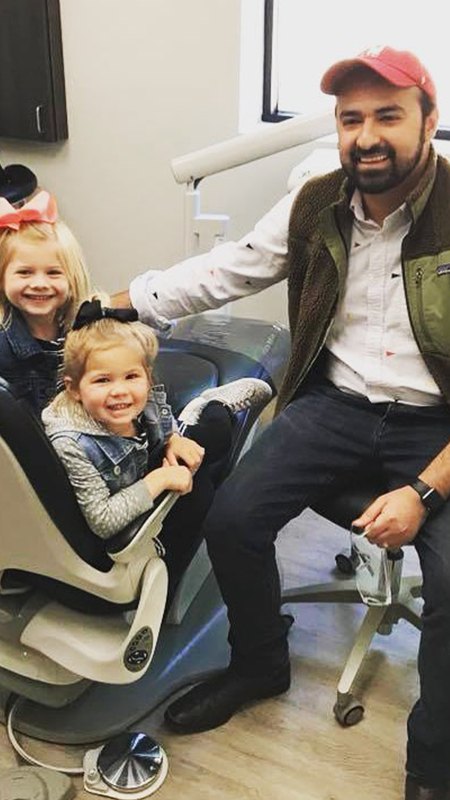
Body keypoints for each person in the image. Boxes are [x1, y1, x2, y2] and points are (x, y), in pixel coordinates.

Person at [112, 46, 450, 800]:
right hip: (335, 403)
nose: (366, 135)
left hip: (439, 425)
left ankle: (434, 759)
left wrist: (424, 495)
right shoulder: (316, 199)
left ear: (430, 119)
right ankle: (260, 665)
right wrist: (127, 299)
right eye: (350, 118)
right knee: (231, 519)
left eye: (388, 116)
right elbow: (232, 266)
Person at [42, 299, 272, 603]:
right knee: (202, 488)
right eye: (102, 380)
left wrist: (174, 438)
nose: (120, 391)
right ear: (74, 389)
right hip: (127, 513)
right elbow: (101, 518)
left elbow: (159, 424)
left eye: (131, 377)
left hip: (146, 465)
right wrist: (161, 480)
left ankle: (207, 409)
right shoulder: (72, 443)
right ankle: (205, 413)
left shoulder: (141, 397)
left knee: (214, 437)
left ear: (147, 379)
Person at [0, 189, 92, 412]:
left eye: (53, 273)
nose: (39, 283)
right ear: (2, 279)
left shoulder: (90, 331)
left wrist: (170, 436)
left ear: (73, 278)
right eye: (24, 272)